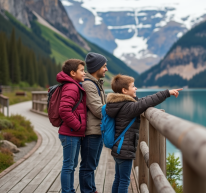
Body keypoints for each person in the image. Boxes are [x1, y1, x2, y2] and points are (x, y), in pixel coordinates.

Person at [106, 74, 182, 193]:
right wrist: (167, 93)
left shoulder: (119, 104)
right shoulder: (129, 107)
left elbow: (142, 101)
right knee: (124, 181)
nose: (136, 88)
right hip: (125, 150)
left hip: (118, 148)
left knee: (118, 178)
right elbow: (147, 102)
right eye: (133, 86)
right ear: (124, 90)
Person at [57, 59, 87, 193]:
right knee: (68, 166)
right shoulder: (72, 87)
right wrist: (78, 126)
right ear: (73, 73)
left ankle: (70, 190)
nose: (84, 73)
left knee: (71, 165)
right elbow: (64, 110)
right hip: (70, 133)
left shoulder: (74, 85)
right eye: (82, 70)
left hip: (72, 132)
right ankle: (67, 191)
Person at [80, 52, 108, 193]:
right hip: (91, 131)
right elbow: (98, 110)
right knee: (88, 165)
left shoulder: (96, 84)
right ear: (97, 67)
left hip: (97, 130)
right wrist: (115, 110)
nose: (106, 69)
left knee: (92, 164)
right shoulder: (89, 85)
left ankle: (91, 189)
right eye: (104, 66)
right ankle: (87, 191)